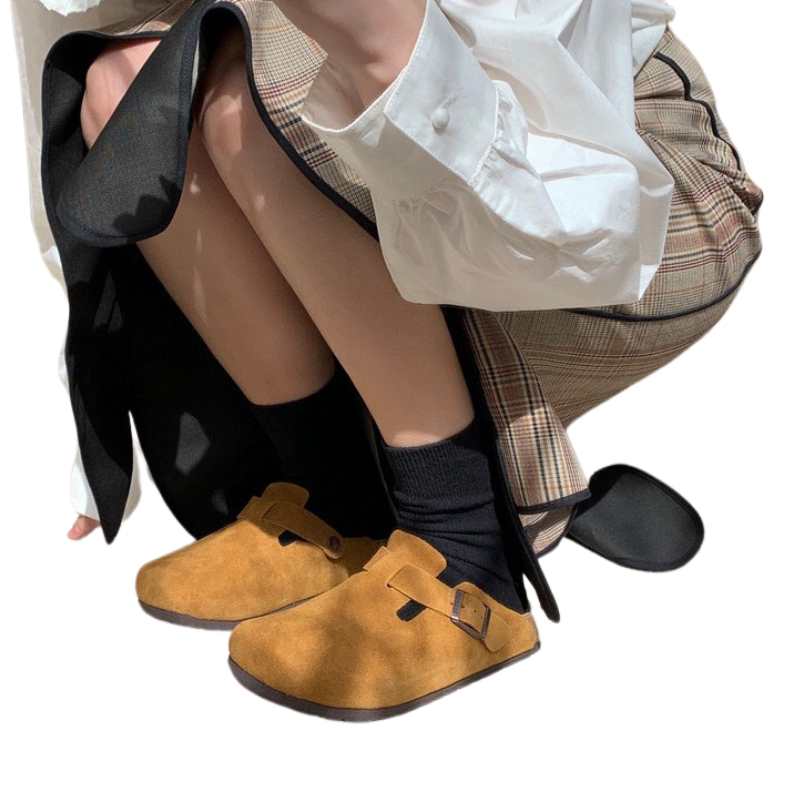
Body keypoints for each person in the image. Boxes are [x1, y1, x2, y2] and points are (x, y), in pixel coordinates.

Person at [25, 0, 762, 719]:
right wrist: (88, 420)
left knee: (261, 76)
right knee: (127, 82)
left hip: (625, 178)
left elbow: (450, 69)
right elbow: (71, 39)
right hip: (427, 174)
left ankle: (465, 555)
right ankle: (337, 505)